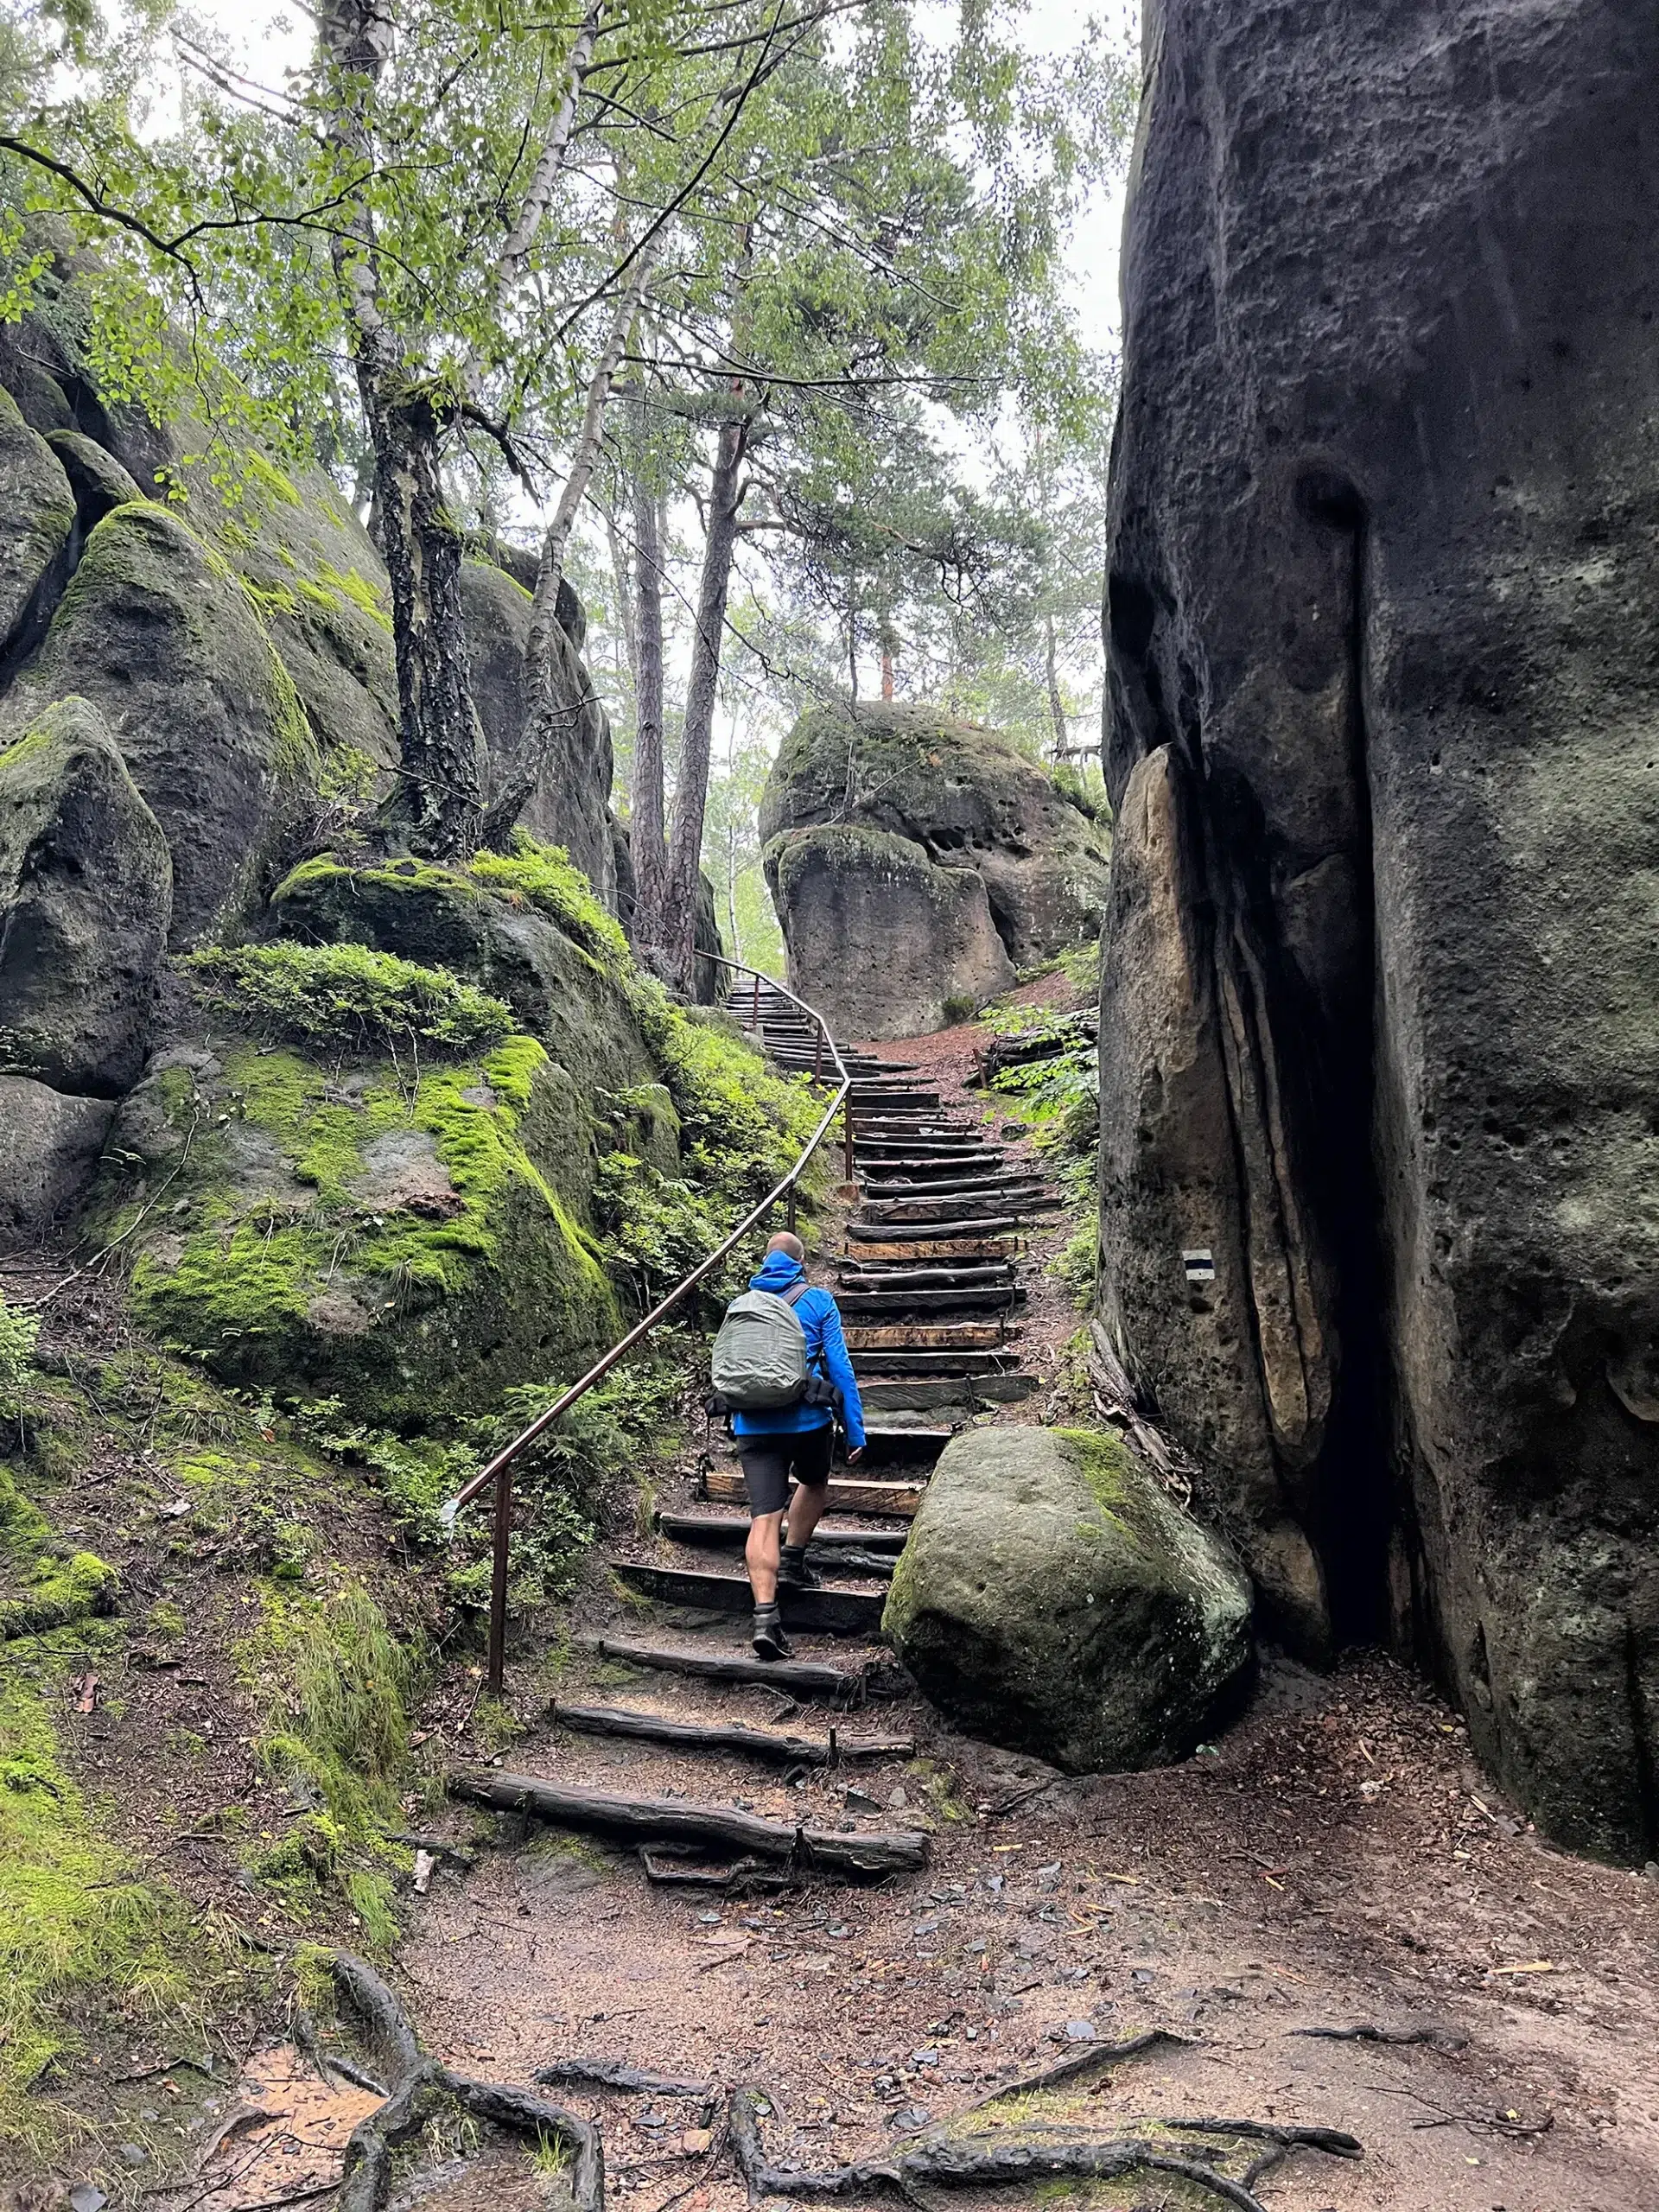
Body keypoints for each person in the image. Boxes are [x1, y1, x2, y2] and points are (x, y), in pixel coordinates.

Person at [732, 1230, 866, 1659]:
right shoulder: (817, 1301)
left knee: (763, 1518)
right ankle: (793, 1560)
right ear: (801, 1264)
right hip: (807, 1420)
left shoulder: (741, 1304)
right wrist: (855, 1428)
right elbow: (839, 1367)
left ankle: (766, 1617)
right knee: (813, 1482)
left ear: (765, 1261)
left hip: (752, 1423)